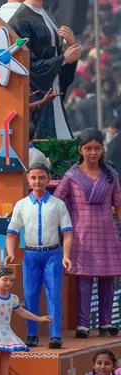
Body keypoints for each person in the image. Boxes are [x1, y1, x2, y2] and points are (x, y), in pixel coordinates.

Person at [54, 129, 121, 338]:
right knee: (83, 279)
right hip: (80, 234)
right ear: (80, 149)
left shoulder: (112, 175)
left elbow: (119, 206)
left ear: (102, 150)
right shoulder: (71, 175)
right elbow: (57, 201)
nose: (93, 152)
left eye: (97, 148)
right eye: (88, 148)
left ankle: (106, 322)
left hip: (107, 232)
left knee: (108, 278)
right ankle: (83, 324)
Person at [5, 163, 73, 349]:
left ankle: (55, 335)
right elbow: (12, 233)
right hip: (31, 254)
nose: (37, 181)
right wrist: (10, 252)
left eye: (41, 177)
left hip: (52, 253)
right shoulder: (22, 205)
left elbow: (67, 232)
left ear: (48, 179)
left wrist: (66, 256)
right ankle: (32, 334)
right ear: (28, 179)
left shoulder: (57, 204)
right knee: (30, 294)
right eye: (34, 177)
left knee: (54, 294)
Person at [9, 0, 81, 139]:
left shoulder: (48, 16)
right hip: (38, 97)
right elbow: (27, 65)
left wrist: (71, 48)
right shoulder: (19, 20)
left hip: (54, 94)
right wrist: (64, 59)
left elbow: (58, 55)